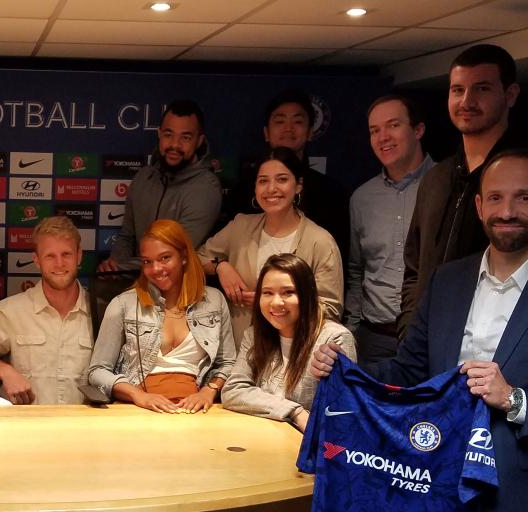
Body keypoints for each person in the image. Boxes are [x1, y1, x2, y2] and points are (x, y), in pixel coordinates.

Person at [312, 149, 528, 511]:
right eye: (495, 197)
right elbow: (409, 370)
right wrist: (348, 371)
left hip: (518, 491)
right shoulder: (447, 280)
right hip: (428, 475)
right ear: (479, 206)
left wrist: (515, 399)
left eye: (524, 198)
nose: (507, 211)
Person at [399, 44, 528, 338]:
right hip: (426, 344)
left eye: (481, 88)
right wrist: (409, 330)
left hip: (496, 346)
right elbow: (414, 267)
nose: (467, 101)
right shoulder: (435, 178)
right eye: (458, 90)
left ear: (510, 95)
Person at [87, 219, 236, 414]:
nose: (156, 269)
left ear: (184, 256)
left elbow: (227, 363)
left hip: (195, 412)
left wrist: (208, 391)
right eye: (147, 261)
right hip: (137, 410)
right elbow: (97, 371)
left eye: (164, 258)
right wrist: (138, 396)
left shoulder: (214, 300)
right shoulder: (123, 304)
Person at [197, 147, 343, 342]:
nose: (271, 188)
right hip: (240, 348)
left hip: (294, 350)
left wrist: (272, 303)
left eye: (282, 179)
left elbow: (330, 310)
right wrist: (220, 266)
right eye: (263, 181)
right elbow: (197, 258)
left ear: (298, 185)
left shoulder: (320, 241)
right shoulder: (240, 226)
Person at [0, 216, 93, 405]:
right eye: (50, 256)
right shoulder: (12, 310)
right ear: (37, 260)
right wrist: (5, 371)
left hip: (83, 422)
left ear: (79, 256)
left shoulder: (100, 311)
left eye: (66, 254)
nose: (59, 263)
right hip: (24, 421)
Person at [345, 95, 435, 364]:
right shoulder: (362, 198)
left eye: (393, 125)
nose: (383, 137)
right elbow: (357, 270)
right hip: (375, 339)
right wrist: (351, 331)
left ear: (418, 130)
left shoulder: (446, 186)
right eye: (374, 130)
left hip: (430, 337)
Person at [223, 254, 356, 430]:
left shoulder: (334, 338)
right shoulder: (254, 335)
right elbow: (233, 390)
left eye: (288, 292)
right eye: (267, 293)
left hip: (310, 441)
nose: (276, 302)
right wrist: (295, 412)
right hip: (263, 433)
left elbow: (342, 410)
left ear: (307, 295)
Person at [224, 89, 351, 260]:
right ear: (266, 133)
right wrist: (221, 266)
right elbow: (223, 252)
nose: (288, 128)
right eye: (280, 121)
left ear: (310, 131)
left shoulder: (331, 193)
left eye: (297, 121)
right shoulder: (243, 191)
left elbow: (337, 258)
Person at [98, 100, 222, 273]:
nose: (175, 145)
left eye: (185, 137)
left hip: (180, 286)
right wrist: (113, 269)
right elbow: (127, 236)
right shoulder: (143, 177)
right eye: (168, 135)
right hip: (137, 283)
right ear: (159, 134)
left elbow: (173, 254)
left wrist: (120, 268)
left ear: (199, 141)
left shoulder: (206, 188)